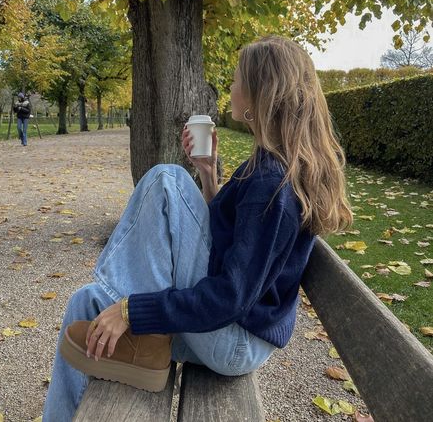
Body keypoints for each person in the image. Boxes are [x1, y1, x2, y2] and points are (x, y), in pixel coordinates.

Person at [42, 35, 353, 421]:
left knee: (167, 180)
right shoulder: (269, 165)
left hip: (234, 340)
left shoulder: (272, 183)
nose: (231, 88)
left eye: (238, 80)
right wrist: (208, 174)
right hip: (225, 331)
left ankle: (142, 334)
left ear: (259, 94)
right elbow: (231, 242)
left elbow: (231, 295)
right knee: (84, 305)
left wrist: (132, 311)